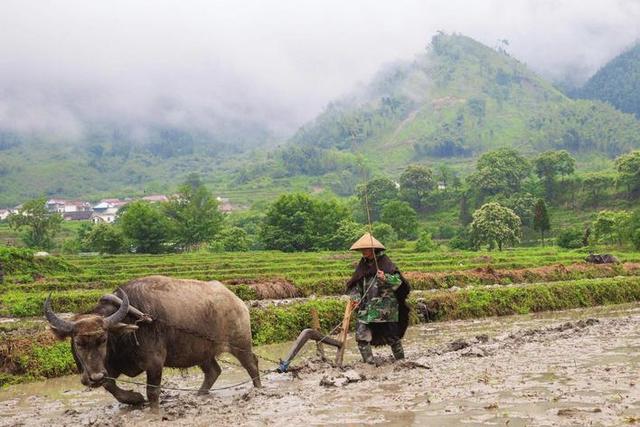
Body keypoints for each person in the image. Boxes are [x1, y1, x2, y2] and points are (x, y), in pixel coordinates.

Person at [345, 233, 411, 364]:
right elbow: (354, 285)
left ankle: (402, 363)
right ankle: (369, 363)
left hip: (385, 306)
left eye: (366, 249)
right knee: (361, 335)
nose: (363, 252)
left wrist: (386, 278)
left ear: (374, 249)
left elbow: (400, 283)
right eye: (362, 250)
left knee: (393, 337)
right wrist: (356, 298)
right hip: (366, 307)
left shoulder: (386, 264)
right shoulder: (362, 266)